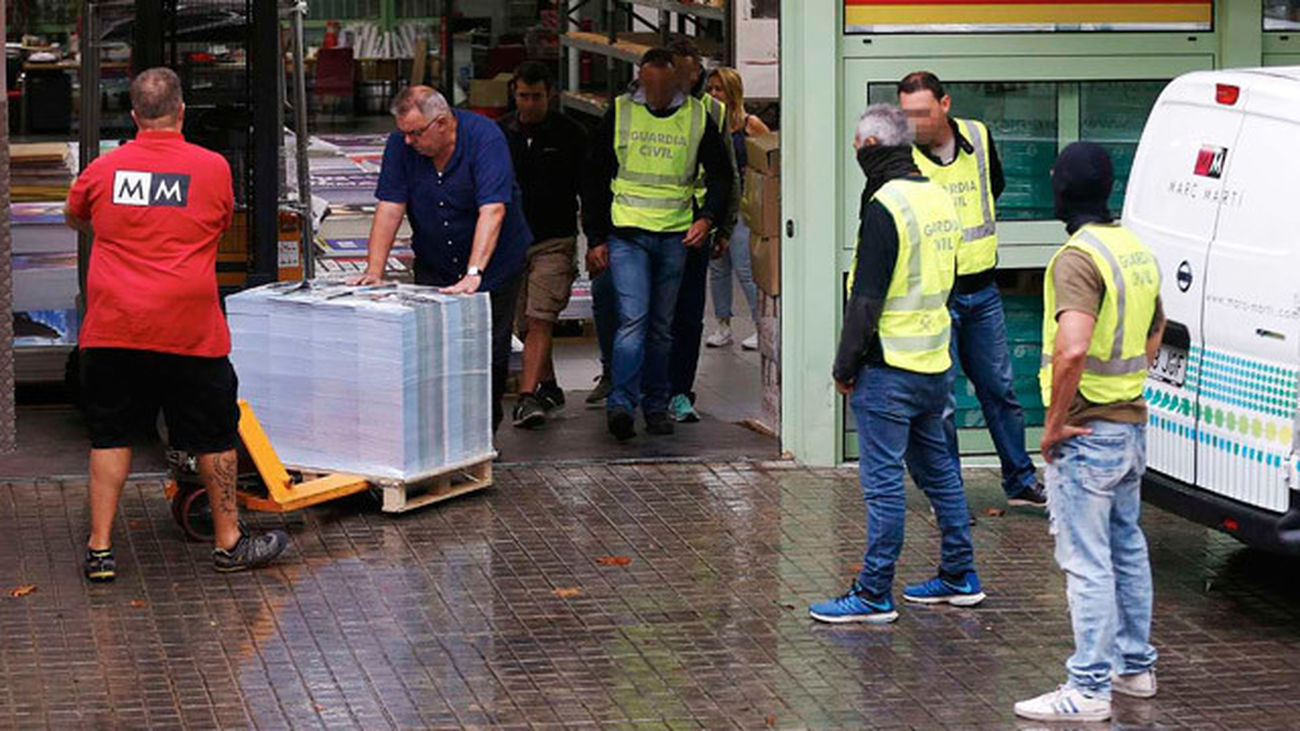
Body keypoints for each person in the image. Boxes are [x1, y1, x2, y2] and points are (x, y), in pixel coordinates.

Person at [65, 67, 289, 582]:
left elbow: (75, 215)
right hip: (189, 329)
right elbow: (221, 219)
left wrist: (114, 231)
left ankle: (100, 549)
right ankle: (230, 542)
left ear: (133, 115)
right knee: (214, 437)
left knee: (110, 436)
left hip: (114, 326)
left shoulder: (104, 169)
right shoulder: (211, 169)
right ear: (182, 110)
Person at [809, 104, 984, 624]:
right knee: (941, 476)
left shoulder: (886, 206)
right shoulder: (936, 197)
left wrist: (844, 365)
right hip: (933, 361)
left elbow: (867, 299)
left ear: (868, 149)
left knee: (883, 484)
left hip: (888, 369)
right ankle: (959, 575)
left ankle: (873, 591)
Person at [1015, 142, 1164, 723]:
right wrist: (1129, 381)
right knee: (1127, 548)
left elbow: (1073, 344)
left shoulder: (1077, 258)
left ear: (1062, 188)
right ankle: (1134, 669)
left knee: (1087, 562)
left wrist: (1054, 424)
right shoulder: (1134, 250)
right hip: (1127, 427)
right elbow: (1157, 329)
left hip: (1086, 432)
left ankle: (1088, 688)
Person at [898, 71, 1046, 508]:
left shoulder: (978, 137)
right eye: (906, 114)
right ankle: (951, 495)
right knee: (941, 403)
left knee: (999, 389)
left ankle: (1020, 479)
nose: (915, 122)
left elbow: (992, 187)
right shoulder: (902, 154)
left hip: (981, 290)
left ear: (945, 105)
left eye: (922, 112)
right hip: (935, 297)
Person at [356, 86, 531, 434]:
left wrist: (474, 272)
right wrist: (373, 270)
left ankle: (482, 431)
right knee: (434, 347)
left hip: (493, 264)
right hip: (434, 260)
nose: (408, 142)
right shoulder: (400, 146)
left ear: (442, 122)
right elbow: (390, 207)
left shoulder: (485, 139)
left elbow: (493, 209)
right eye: (403, 133)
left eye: (415, 133)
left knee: (487, 347)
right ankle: (440, 432)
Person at [584, 48, 733, 441]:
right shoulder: (620, 111)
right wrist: (596, 237)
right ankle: (621, 404)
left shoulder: (698, 116)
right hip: (628, 234)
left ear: (677, 82)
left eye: (665, 86)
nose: (658, 94)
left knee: (661, 327)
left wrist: (709, 219)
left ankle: (655, 406)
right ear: (640, 79)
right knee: (634, 319)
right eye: (651, 86)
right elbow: (596, 175)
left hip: (675, 234)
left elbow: (721, 175)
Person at [498, 61, 588, 429]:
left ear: (549, 95)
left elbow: (589, 189)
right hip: (512, 244)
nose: (529, 104)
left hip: (555, 240)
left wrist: (597, 239)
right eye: (523, 96)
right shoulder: (500, 134)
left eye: (536, 96)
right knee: (523, 324)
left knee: (540, 318)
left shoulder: (573, 134)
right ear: (515, 95)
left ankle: (527, 397)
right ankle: (548, 384)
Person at [665, 38, 741, 424]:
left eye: (692, 71)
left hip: (695, 224)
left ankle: (679, 391)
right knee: (643, 315)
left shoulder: (712, 110)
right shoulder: (635, 108)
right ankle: (644, 389)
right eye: (679, 70)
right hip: (644, 227)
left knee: (688, 316)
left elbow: (726, 172)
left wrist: (722, 224)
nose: (686, 78)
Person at [704, 67, 768, 352]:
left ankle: (760, 325)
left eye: (719, 89)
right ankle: (723, 324)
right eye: (711, 89)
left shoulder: (749, 124)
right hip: (717, 204)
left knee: (744, 266)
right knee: (718, 268)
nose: (714, 94)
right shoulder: (709, 121)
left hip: (743, 205)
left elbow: (770, 155)